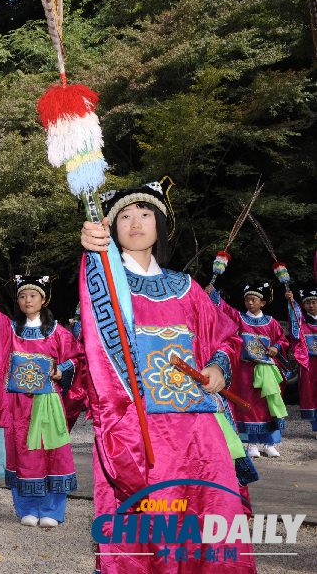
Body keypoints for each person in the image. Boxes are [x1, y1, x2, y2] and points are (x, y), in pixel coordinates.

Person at [79, 179, 255, 573]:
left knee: (213, 518)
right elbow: (94, 340)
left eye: (144, 214)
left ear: (159, 224)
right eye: (124, 215)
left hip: (201, 430)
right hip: (142, 431)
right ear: (110, 227)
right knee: (152, 528)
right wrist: (91, 251)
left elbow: (227, 335)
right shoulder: (106, 285)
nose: (135, 222)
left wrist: (217, 368)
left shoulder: (187, 288)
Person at [0, 275, 83, 527]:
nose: (27, 300)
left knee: (52, 451)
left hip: (47, 401)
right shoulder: (11, 330)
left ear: (43, 299)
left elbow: (78, 358)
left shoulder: (58, 332)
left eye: (32, 295)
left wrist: (60, 371)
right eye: (22, 296)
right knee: (22, 451)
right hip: (17, 402)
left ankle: (52, 510)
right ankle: (27, 508)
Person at [206, 281, 289, 458]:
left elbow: (282, 340)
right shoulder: (239, 318)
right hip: (245, 369)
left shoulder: (271, 323)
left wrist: (276, 347)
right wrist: (213, 294)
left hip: (266, 369)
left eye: (253, 300)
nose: (250, 303)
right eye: (247, 300)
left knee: (268, 405)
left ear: (263, 303)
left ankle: (269, 443)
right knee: (247, 405)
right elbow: (225, 309)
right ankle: (251, 443)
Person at [288, 288, 317, 436]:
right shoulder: (301, 323)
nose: (311, 306)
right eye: (307, 303)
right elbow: (295, 333)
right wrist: (291, 301)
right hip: (308, 362)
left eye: (314, 302)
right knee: (310, 393)